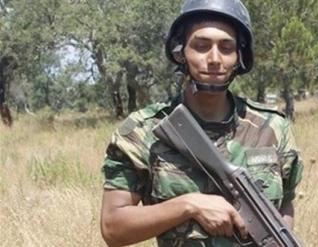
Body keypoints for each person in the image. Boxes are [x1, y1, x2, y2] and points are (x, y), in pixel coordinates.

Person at [100, 0, 303, 246]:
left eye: (226, 47)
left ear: (240, 57)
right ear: (180, 52)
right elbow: (113, 228)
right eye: (201, 46)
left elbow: (285, 206)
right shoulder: (143, 131)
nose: (215, 58)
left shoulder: (272, 128)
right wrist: (188, 205)